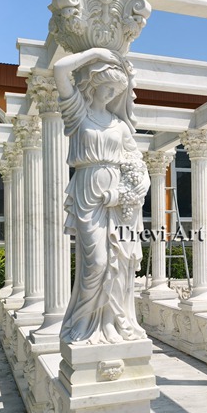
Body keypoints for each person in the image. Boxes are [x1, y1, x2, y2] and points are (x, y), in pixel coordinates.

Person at [54, 47, 150, 344]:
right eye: (107, 85)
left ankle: (112, 323)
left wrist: (123, 193)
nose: (111, 93)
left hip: (117, 200)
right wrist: (97, 53)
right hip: (87, 191)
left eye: (116, 89)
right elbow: (60, 69)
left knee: (118, 263)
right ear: (94, 83)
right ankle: (81, 324)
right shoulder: (78, 114)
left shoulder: (120, 126)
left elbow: (138, 167)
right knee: (94, 262)